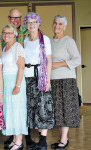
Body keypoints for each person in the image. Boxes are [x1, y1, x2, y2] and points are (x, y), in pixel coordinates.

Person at [1, 8, 34, 148]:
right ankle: (14, 140)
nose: (7, 35)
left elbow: (21, 67)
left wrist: (18, 85)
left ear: (14, 34)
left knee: (18, 111)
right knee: (11, 111)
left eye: (9, 33)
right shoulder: (4, 48)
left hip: (16, 81)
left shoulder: (17, 47)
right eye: (4, 33)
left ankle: (19, 142)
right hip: (7, 82)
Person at [23, 12, 54, 150]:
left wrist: (47, 79)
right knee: (31, 108)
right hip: (27, 76)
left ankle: (43, 141)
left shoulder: (44, 39)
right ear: (26, 25)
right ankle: (32, 139)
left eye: (34, 22)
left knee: (43, 108)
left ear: (38, 24)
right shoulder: (25, 40)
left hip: (40, 77)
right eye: (29, 22)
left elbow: (49, 60)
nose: (31, 25)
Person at [50, 15, 81, 150]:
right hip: (53, 81)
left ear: (65, 26)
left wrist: (60, 64)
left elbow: (77, 60)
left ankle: (63, 139)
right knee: (57, 111)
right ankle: (63, 138)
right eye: (55, 23)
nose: (57, 26)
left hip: (67, 80)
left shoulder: (69, 41)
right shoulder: (48, 41)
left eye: (60, 24)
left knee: (66, 110)